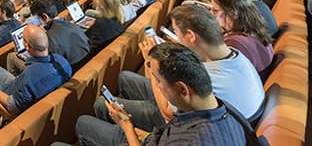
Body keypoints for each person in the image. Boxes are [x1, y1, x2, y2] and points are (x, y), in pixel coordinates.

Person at [67, 43, 255, 146]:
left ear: (182, 89)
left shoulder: (193, 140)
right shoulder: (222, 108)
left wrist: (127, 127)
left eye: (157, 80)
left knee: (79, 127)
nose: (154, 85)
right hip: (152, 138)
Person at [0, 25, 71, 115]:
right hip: (18, 87)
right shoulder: (63, 62)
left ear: (27, 46)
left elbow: (11, 106)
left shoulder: (30, 76)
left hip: (7, 99)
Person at [9, 0, 89, 73]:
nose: (38, 24)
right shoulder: (71, 25)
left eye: (37, 20)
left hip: (70, 72)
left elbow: (45, 65)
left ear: (44, 17)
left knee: (13, 57)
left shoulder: (49, 40)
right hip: (85, 64)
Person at [209, 0, 274, 75]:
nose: (210, 14)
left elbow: (216, 72)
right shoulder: (254, 31)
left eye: (215, 11)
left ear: (233, 13)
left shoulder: (235, 43)